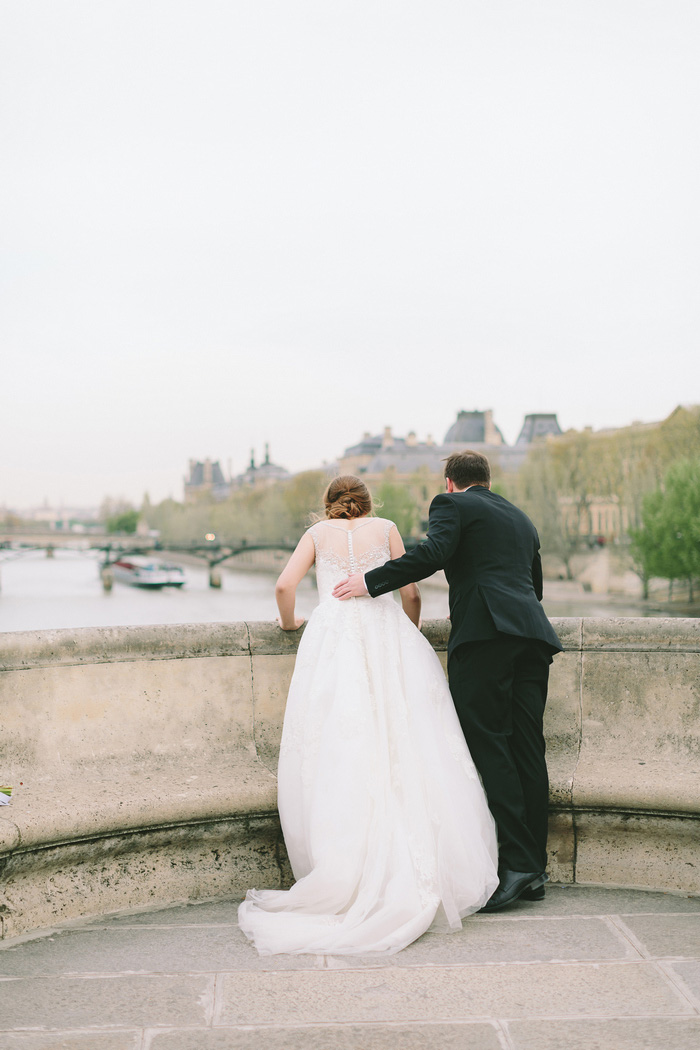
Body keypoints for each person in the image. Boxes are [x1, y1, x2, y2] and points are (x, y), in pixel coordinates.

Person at [238, 475, 499, 955]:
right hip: (388, 633)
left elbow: (283, 585)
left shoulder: (316, 536)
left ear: (329, 504)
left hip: (334, 638)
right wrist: (407, 633)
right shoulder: (387, 528)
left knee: (341, 746)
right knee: (413, 743)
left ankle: (347, 867)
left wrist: (290, 621)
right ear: (368, 502)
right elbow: (412, 594)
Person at [333, 451, 563, 912]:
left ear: (450, 482)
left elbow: (433, 554)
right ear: (487, 481)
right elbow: (533, 586)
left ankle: (516, 867)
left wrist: (370, 582)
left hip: (486, 636)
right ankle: (532, 868)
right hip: (532, 635)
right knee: (526, 748)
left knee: (489, 743)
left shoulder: (451, 504)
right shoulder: (521, 518)